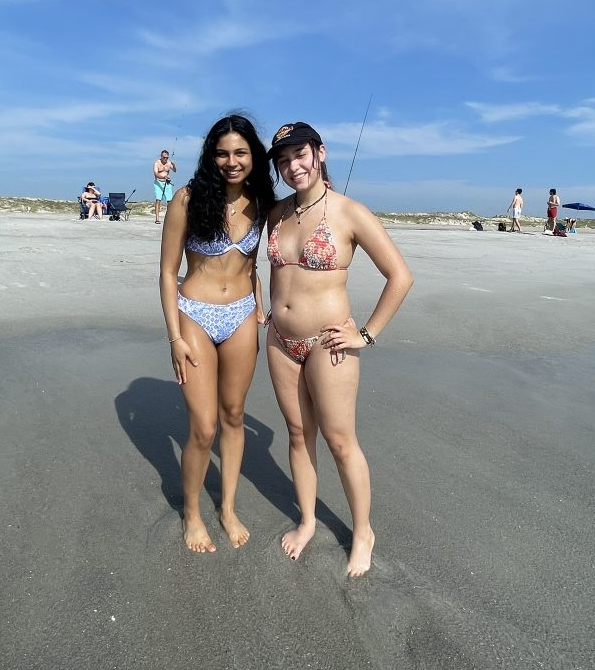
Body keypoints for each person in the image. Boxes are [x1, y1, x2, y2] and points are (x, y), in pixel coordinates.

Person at [264, 121, 413, 577]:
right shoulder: (276, 213)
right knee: (297, 434)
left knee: (340, 440)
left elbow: (400, 276)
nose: (293, 166)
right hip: (279, 340)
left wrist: (366, 334)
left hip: (329, 342)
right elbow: (258, 266)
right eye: (283, 161)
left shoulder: (350, 212)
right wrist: (258, 308)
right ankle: (308, 521)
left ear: (320, 152)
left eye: (300, 155)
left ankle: (363, 531)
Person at [158, 114, 276, 553]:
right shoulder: (187, 200)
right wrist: (175, 337)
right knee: (204, 427)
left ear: (254, 156)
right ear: (211, 156)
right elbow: (167, 272)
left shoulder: (261, 201)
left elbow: (253, 263)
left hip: (242, 315)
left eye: (240, 152)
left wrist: (260, 303)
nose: (232, 161)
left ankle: (227, 508)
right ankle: (192, 513)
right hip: (195, 316)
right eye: (223, 153)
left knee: (234, 414)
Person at [153, 149, 177, 224]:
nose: (165, 159)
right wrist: (163, 177)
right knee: (158, 200)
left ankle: (169, 218)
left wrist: (174, 165)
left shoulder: (169, 163)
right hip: (158, 183)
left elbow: (175, 170)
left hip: (167, 183)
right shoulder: (157, 163)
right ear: (161, 156)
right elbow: (156, 174)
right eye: (164, 157)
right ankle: (157, 218)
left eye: (167, 157)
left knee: (169, 201)